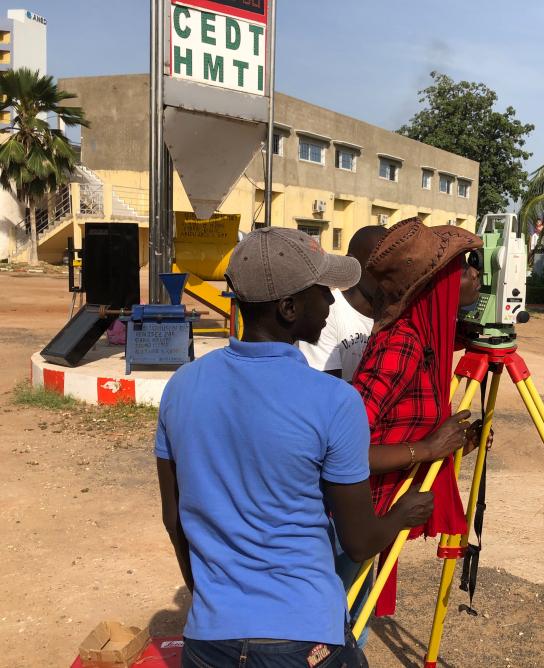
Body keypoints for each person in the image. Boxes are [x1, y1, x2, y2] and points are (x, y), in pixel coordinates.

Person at [155, 227, 433, 668]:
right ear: (288, 308)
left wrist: (213, 605)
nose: (330, 302)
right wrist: (404, 514)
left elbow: (175, 519)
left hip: (209, 641)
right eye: (323, 291)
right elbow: (360, 543)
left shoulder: (182, 386)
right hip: (303, 639)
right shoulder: (334, 402)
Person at [351, 217, 487, 616]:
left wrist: (459, 439)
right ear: (436, 285)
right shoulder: (403, 344)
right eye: (460, 268)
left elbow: (405, 416)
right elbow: (343, 448)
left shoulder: (426, 337)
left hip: (371, 517)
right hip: (356, 520)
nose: (473, 274)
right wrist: (426, 449)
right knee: (336, 631)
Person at [299, 225, 388, 382]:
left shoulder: (395, 313)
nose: (388, 272)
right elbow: (327, 389)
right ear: (352, 263)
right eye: (379, 262)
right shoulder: (325, 312)